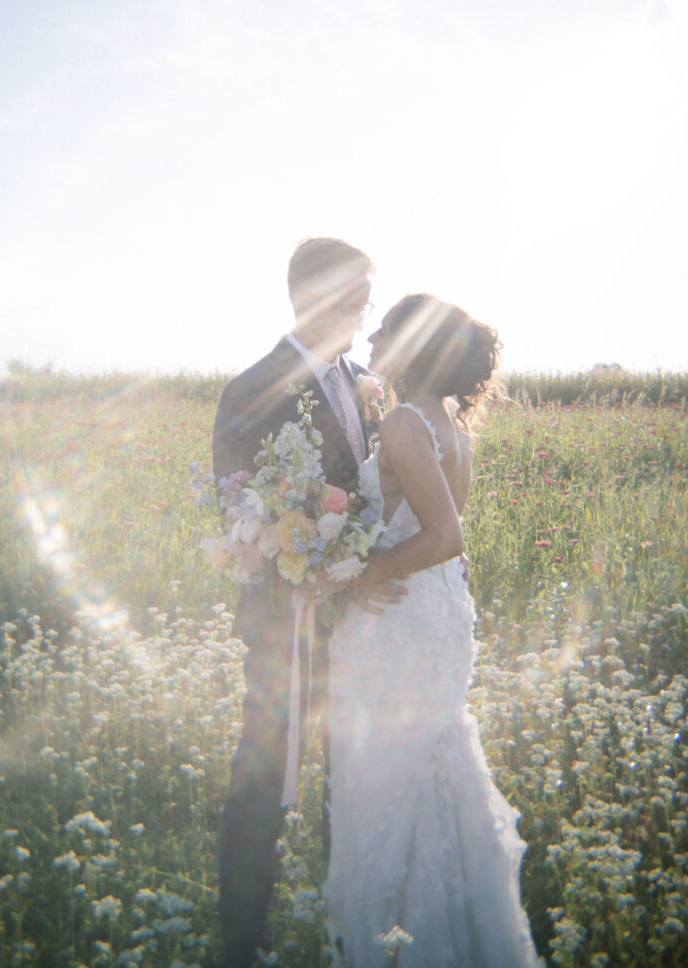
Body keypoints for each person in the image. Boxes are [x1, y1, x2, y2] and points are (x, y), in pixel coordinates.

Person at [309, 294, 544, 967]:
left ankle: (394, 943)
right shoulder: (450, 425)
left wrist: (357, 573)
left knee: (385, 777)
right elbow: (443, 539)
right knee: (427, 768)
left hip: (399, 616)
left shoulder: (409, 423)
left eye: (386, 327)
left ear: (411, 345)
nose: (374, 335)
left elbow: (446, 535)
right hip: (436, 611)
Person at [212, 238, 404, 968]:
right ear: (321, 299)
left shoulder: (363, 380)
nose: (366, 312)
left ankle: (343, 919)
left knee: (347, 777)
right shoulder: (253, 386)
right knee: (263, 776)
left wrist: (362, 569)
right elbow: (238, 513)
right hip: (284, 622)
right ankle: (240, 943)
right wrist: (303, 565)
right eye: (358, 298)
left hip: (360, 622)